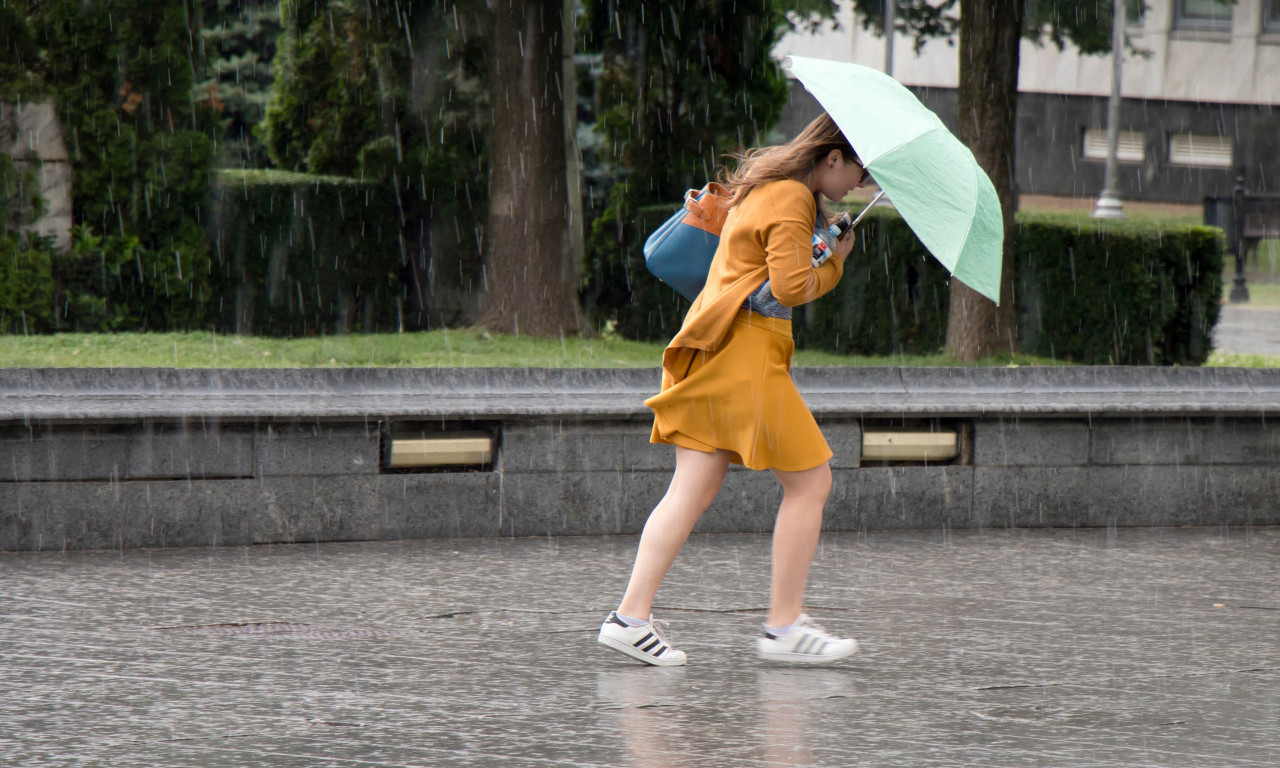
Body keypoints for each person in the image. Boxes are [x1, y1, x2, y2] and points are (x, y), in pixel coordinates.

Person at [597, 113, 870, 666]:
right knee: (811, 482)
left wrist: (815, 245)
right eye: (860, 173)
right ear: (833, 157)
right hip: (747, 355)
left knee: (689, 490)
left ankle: (629, 618)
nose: (859, 187)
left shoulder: (767, 187)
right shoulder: (792, 196)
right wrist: (835, 264)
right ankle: (784, 626)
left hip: (714, 348)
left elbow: (765, 277)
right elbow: (788, 290)